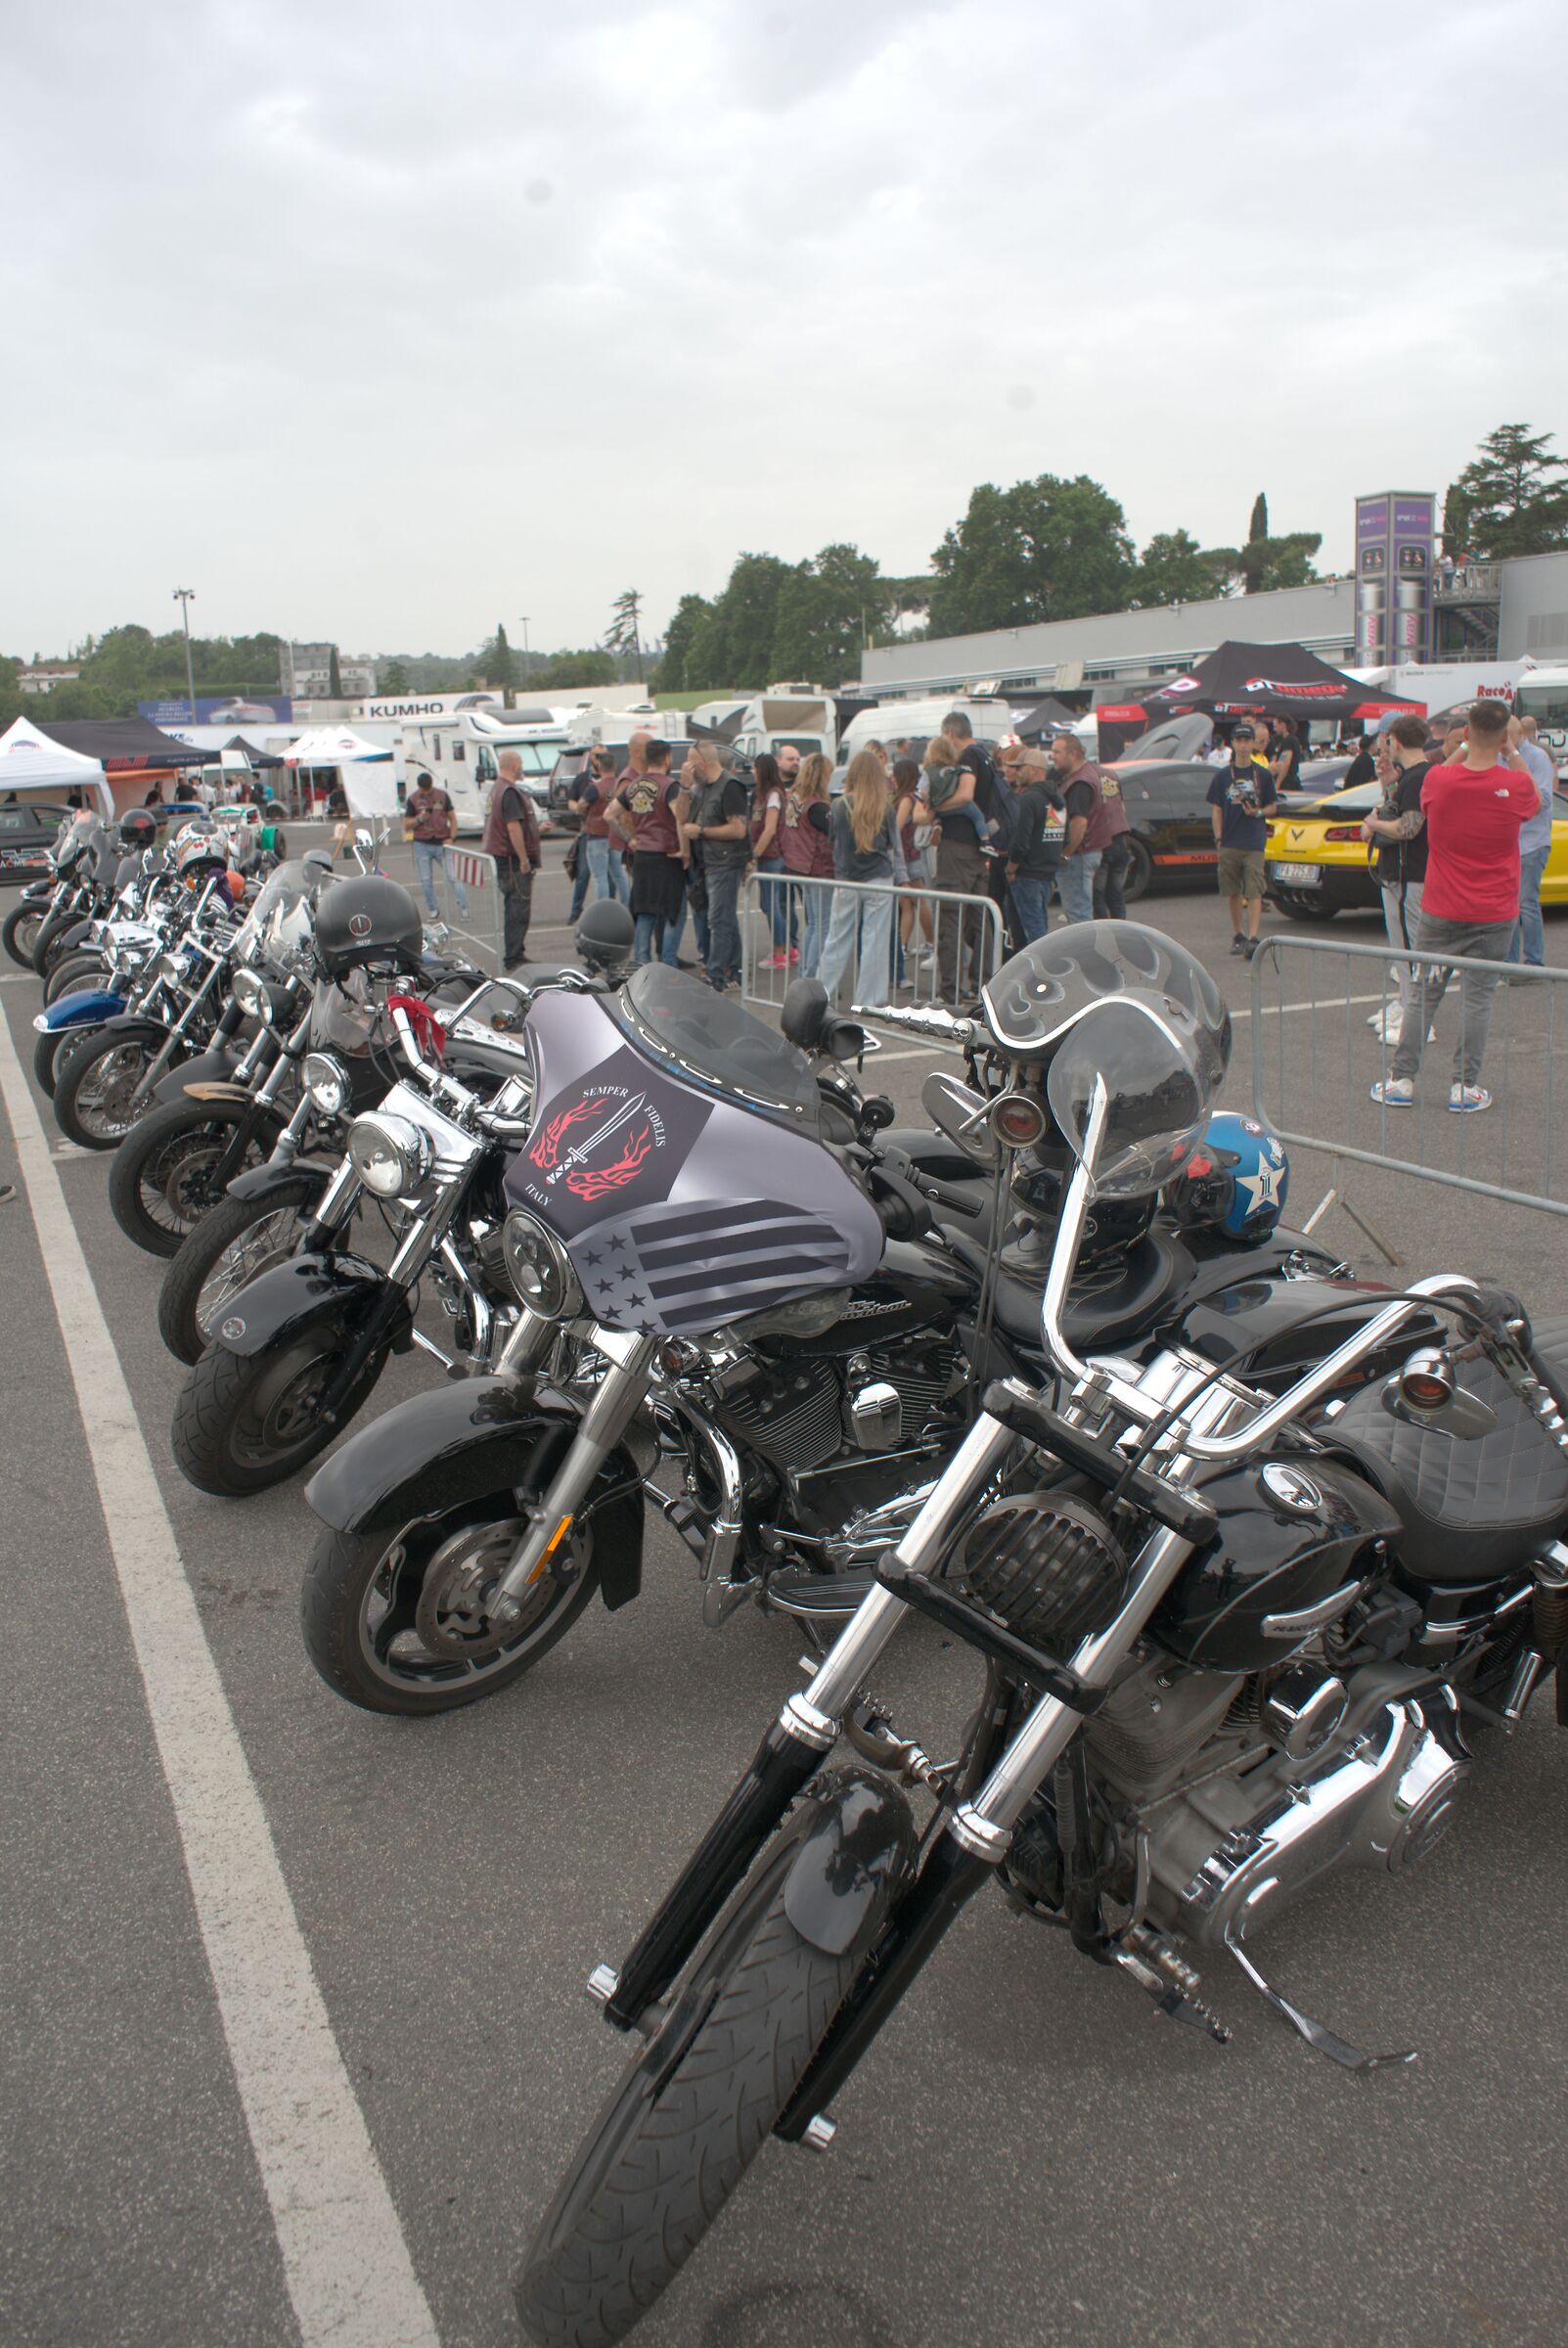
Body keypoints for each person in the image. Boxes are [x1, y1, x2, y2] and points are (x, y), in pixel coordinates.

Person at [1370, 700, 1543, 1114]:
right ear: (1504, 737)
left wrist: (1467, 746)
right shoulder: (1514, 785)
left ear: (1465, 734)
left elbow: (1447, 771)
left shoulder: (1439, 781)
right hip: (1494, 912)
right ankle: (1464, 1087)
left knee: (1424, 995)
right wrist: (1512, 752)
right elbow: (1532, 797)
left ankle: (1401, 1080)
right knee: (1478, 999)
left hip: (1441, 908)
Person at [1358, 713, 1431, 1040]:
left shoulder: (1418, 778)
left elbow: (1409, 827)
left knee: (1410, 946)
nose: (1384, 746)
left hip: (1409, 875)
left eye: (1387, 739)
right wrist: (1386, 787)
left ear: (1397, 741)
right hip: (1399, 875)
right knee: (1402, 946)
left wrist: (1375, 826)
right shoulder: (1409, 778)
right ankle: (1406, 1005)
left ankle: (1418, 1020)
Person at [816, 750, 905, 1001]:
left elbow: (833, 840)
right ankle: (869, 1002)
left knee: (836, 942)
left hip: (847, 878)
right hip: (878, 880)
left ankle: (821, 997)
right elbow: (892, 846)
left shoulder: (838, 806)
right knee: (874, 945)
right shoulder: (884, 808)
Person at [918, 732, 992, 997]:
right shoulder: (983, 762)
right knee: (980, 919)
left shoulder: (947, 770)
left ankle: (950, 990)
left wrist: (937, 809)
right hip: (979, 850)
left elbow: (921, 814)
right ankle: (982, 985)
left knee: (951, 919)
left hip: (954, 850)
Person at [611, 738, 688, 967]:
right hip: (666, 857)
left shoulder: (633, 786)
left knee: (645, 912)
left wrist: (630, 838)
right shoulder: (670, 786)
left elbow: (609, 814)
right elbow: (680, 819)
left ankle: (641, 962)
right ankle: (668, 962)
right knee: (675, 911)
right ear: (667, 758)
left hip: (643, 856)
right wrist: (685, 851)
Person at [680, 743, 748, 990]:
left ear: (702, 763)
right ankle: (734, 970)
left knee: (718, 920)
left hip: (725, 862)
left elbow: (739, 829)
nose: (685, 767)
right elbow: (681, 819)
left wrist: (702, 831)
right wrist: (685, 789)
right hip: (706, 863)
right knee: (724, 918)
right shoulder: (700, 788)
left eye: (689, 762)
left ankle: (716, 974)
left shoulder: (729, 787)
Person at [1206, 722, 1277, 957]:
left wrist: (1257, 812)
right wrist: (1218, 838)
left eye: (1248, 741)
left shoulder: (1263, 775)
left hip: (1254, 841)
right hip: (1229, 841)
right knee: (1232, 891)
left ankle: (1254, 937)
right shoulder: (1223, 776)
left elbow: (1272, 807)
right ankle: (1238, 934)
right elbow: (1217, 809)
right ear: (1233, 744)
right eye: (1240, 741)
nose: (1244, 746)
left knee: (1254, 890)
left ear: (1253, 743)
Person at [482, 749, 542, 969]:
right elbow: (513, 828)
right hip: (512, 863)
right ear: (514, 764)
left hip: (503, 859)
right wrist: (524, 859)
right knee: (518, 911)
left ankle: (516, 953)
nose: (522, 766)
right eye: (521, 762)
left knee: (513, 909)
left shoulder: (497, 789)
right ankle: (514, 957)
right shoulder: (509, 791)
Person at [780, 749, 835, 978]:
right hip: (819, 867)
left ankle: (806, 972)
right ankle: (812, 975)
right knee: (821, 926)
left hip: (801, 866)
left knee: (813, 924)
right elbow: (834, 832)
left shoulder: (795, 798)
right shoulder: (817, 806)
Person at [1051, 733, 1112, 925]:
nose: (1052, 756)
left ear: (1073, 754)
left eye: (1057, 752)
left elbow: (1080, 823)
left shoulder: (1080, 782)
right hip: (1087, 852)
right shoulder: (1086, 775)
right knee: (1080, 912)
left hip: (1079, 855)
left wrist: (1066, 854)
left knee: (1078, 915)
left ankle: (1084, 954)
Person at [1510, 714, 1555, 968]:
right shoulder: (1497, 756)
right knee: (1509, 906)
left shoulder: (1536, 757)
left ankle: (1534, 962)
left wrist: (1508, 799)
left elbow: (1545, 800)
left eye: (1506, 736)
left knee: (1525, 902)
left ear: (1520, 735)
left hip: (1532, 842)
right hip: (1508, 843)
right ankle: (1509, 962)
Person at [1006, 749, 1063, 944]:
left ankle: (1044, 972)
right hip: (1047, 873)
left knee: (1035, 935)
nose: (1016, 772)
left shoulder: (1029, 798)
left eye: (1019, 768)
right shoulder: (1057, 798)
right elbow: (1066, 835)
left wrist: (1011, 868)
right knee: (1039, 928)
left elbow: (1021, 841)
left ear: (1032, 770)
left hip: (1027, 874)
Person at [889, 754, 933, 971]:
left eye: (894, 775)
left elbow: (896, 827)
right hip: (909, 855)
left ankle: (931, 943)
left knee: (918, 900)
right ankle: (903, 944)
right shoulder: (911, 797)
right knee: (908, 902)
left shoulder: (906, 799)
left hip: (907, 857)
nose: (892, 779)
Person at [749, 752, 793, 967]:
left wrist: (754, 853)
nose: (752, 772)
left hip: (772, 857)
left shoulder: (773, 795)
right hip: (768, 857)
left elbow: (769, 829)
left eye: (754, 768)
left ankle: (779, 952)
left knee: (771, 905)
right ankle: (789, 948)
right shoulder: (762, 794)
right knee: (772, 904)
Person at [570, 746, 627, 912]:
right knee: (619, 874)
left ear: (599, 768)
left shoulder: (595, 788)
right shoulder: (620, 786)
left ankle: (601, 910)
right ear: (615, 767)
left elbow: (581, 806)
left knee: (599, 876)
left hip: (597, 836)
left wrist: (585, 811)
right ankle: (627, 904)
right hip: (616, 835)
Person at [406, 768, 468, 919]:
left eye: (428, 790)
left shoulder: (442, 796)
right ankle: (433, 909)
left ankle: (464, 907)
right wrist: (419, 819)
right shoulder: (413, 799)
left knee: (453, 876)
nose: (426, 794)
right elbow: (406, 824)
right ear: (419, 787)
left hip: (442, 842)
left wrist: (452, 837)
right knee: (426, 880)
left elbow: (452, 818)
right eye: (423, 791)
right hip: (422, 844)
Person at [1091, 762, 1134, 920]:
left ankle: (1102, 935)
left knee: (1097, 894)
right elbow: (1122, 808)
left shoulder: (1085, 777)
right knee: (1115, 894)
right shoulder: (1111, 774)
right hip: (1120, 838)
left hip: (1101, 841)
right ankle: (1121, 933)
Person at [1270, 716, 1304, 795]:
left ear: (1282, 725)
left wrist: (1277, 783)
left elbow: (1285, 764)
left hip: (1287, 782)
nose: (1274, 729)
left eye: (1276, 726)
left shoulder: (1288, 741)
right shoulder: (1291, 740)